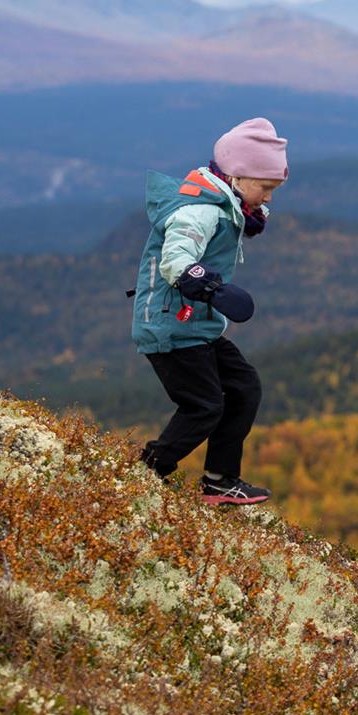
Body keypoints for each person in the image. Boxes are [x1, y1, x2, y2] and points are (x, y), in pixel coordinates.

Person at [130, 117, 287, 505]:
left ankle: (219, 480)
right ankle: (146, 472)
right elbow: (175, 259)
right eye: (265, 188)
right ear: (236, 176)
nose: (268, 198)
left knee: (244, 388)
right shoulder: (199, 210)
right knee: (203, 405)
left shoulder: (224, 204)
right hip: (168, 325)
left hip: (197, 327)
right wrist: (210, 285)